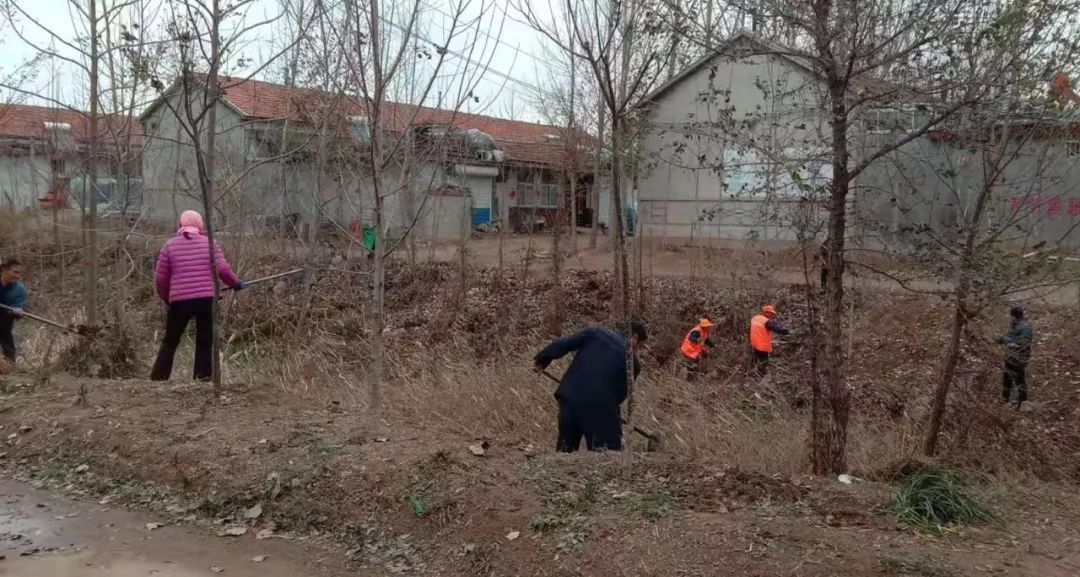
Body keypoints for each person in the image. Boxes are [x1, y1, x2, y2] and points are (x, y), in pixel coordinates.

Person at [150, 210, 244, 381]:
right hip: (206, 300)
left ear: (181, 225)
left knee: (170, 340)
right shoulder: (210, 244)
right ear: (200, 225)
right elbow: (222, 269)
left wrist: (166, 297)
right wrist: (235, 283)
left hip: (179, 301)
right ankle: (202, 378)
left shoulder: (169, 246)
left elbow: (160, 279)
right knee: (204, 340)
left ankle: (158, 378)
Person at [533, 320, 647, 453]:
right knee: (608, 456)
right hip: (600, 408)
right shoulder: (633, 363)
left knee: (565, 453)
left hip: (569, 398)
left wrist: (542, 359)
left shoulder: (595, 332)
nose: (637, 351)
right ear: (634, 338)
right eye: (640, 346)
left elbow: (565, 343)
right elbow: (620, 395)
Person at [999, 305, 1033, 410]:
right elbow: (1009, 338)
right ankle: (1005, 402)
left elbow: (1023, 343)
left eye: (1011, 316)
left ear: (1014, 316)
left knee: (1020, 381)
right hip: (1010, 358)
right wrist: (1001, 339)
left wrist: (1006, 340)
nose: (1011, 318)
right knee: (1007, 380)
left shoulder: (1025, 327)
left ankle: (1022, 404)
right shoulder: (1014, 325)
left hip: (1019, 359)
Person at [749, 305, 790, 377]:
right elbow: (777, 329)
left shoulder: (754, 318)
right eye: (771, 313)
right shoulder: (766, 321)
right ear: (766, 313)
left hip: (754, 343)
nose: (772, 315)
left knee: (755, 358)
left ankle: (752, 373)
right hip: (762, 345)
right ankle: (761, 376)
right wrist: (787, 331)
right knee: (764, 361)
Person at [0, 259, 27, 365]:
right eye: (15, 272)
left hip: (6, 323)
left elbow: (20, 306)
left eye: (20, 273)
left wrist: (18, 310)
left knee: (9, 353)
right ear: (4, 270)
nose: (18, 276)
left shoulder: (19, 289)